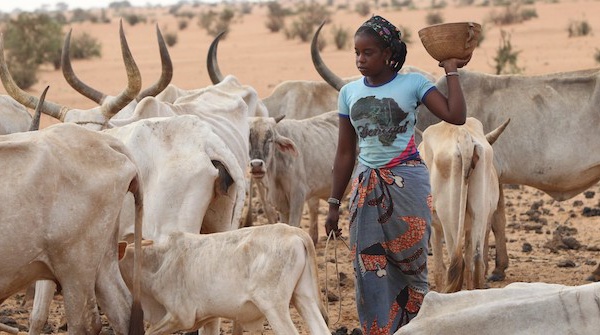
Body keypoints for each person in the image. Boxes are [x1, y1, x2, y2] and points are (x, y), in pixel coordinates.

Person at [325, 15, 469, 334]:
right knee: (367, 267)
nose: (361, 60)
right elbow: (345, 152)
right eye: (357, 53)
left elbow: (456, 115)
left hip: (409, 184)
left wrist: (451, 71)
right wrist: (334, 203)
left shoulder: (414, 84)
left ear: (388, 53)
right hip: (365, 187)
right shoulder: (348, 93)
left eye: (368, 52)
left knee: (412, 264)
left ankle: (416, 328)